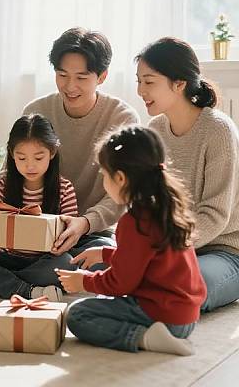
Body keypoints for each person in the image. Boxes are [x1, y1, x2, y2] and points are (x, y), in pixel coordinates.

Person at [57, 125, 207, 355]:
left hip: (165, 318)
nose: (104, 182)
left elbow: (121, 284)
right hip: (185, 317)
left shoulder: (135, 221)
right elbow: (148, 261)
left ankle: (143, 337)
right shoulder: (163, 207)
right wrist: (105, 254)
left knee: (77, 314)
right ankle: (155, 333)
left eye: (104, 176)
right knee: (102, 297)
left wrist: (84, 282)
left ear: (120, 178)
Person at [136, 36, 239, 312]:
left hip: (224, 252)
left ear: (179, 83)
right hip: (171, 247)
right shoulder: (156, 129)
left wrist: (164, 249)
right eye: (138, 81)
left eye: (148, 82)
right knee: (107, 267)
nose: (140, 90)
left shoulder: (218, 130)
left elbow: (215, 215)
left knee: (180, 285)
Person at [23, 27, 139, 258]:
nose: (69, 86)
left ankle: (16, 277)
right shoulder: (36, 112)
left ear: (102, 76)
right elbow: (10, 172)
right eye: (62, 75)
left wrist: (85, 223)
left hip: (94, 230)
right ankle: (34, 277)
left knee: (104, 259)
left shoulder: (122, 118)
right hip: (40, 228)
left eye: (81, 78)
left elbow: (125, 192)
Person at [0, 114, 79, 301]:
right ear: (12, 154)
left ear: (52, 153)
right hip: (6, 258)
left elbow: (69, 236)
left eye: (38, 157)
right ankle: (27, 290)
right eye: (22, 158)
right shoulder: (3, 184)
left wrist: (59, 242)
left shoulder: (64, 188)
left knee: (66, 264)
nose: (30, 166)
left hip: (42, 261)